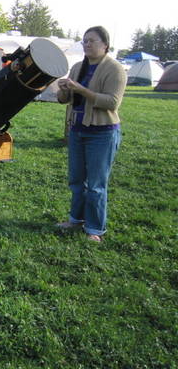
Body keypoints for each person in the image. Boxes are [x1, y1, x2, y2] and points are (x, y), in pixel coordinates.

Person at [56, 26, 127, 242]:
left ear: (105, 45)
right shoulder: (78, 67)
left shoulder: (115, 69)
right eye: (85, 41)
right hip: (77, 130)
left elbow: (112, 102)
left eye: (92, 41)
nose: (87, 44)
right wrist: (64, 89)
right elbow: (63, 100)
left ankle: (95, 229)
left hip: (102, 133)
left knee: (96, 184)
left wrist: (81, 90)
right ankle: (75, 219)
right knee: (77, 180)